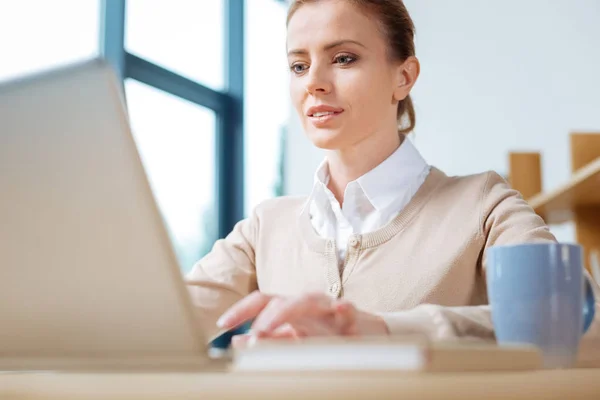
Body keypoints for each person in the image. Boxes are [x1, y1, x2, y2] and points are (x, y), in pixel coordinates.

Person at [186, 0, 600, 354]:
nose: (313, 81)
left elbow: (576, 318)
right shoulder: (265, 228)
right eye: (298, 65)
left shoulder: (484, 205)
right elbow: (159, 324)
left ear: (403, 77)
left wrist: (380, 331)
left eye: (343, 58)